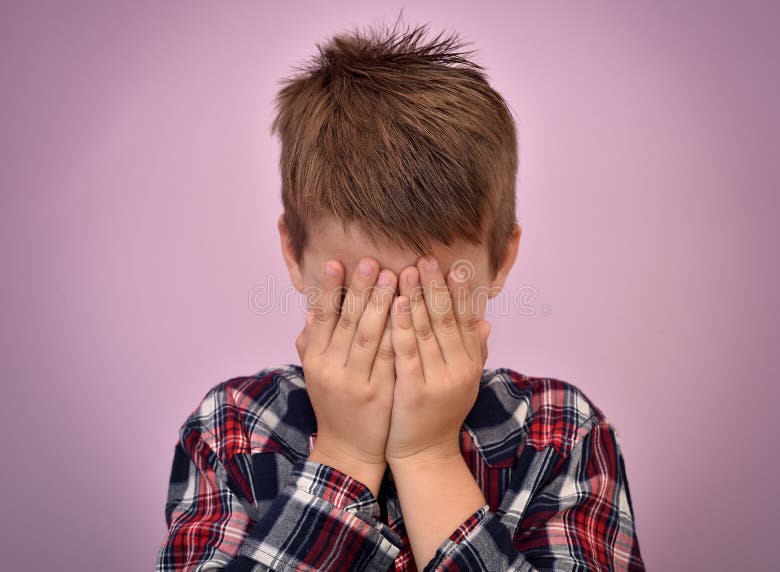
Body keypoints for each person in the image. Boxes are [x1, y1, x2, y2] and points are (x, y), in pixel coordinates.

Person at [156, 20, 645, 572]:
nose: (388, 332)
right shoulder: (232, 429)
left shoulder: (563, 434)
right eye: (357, 297)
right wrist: (343, 457)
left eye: (428, 298)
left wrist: (428, 458)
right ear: (294, 254)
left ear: (500, 261)